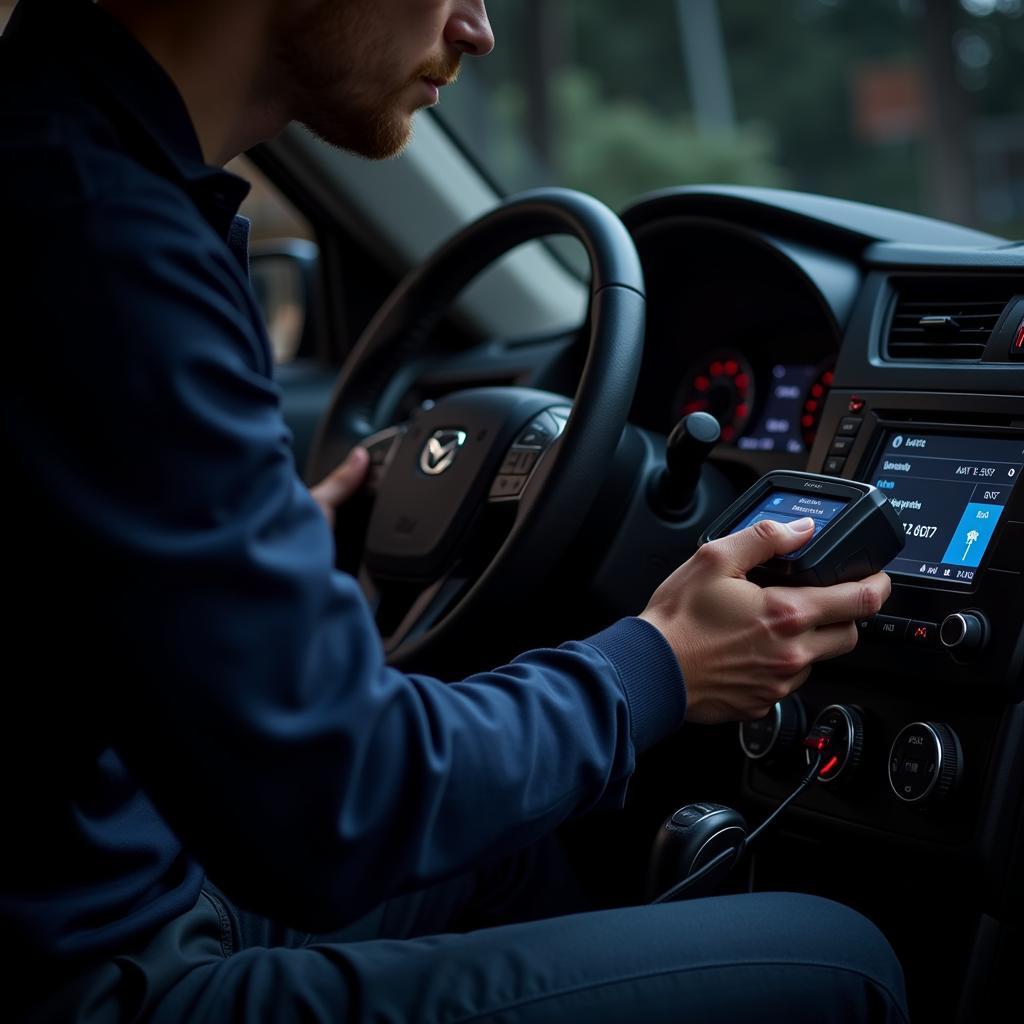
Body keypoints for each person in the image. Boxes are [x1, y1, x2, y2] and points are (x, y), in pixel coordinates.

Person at [0, 1, 909, 1021]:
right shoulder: (111, 245)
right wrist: (660, 664)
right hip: (98, 984)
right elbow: (336, 809)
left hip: (93, 886)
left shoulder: (60, 158)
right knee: (846, 958)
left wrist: (261, 569)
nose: (476, 26)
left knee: (509, 852)